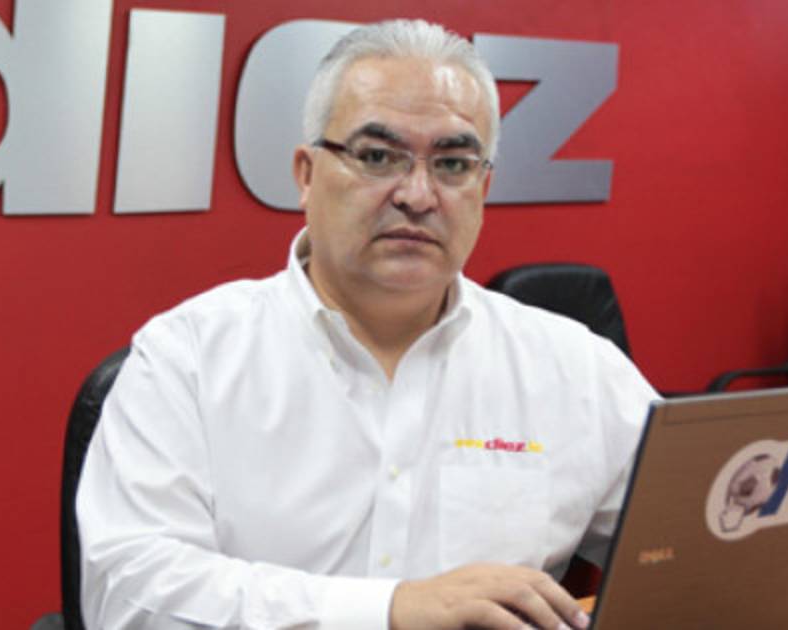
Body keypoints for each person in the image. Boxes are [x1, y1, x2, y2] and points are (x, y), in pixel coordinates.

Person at [77, 18, 658, 630]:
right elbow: (129, 598)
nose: (418, 195)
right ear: (306, 175)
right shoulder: (188, 359)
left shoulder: (573, 367)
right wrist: (387, 610)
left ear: (484, 187)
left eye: (453, 164)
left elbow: (697, 539)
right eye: (377, 157)